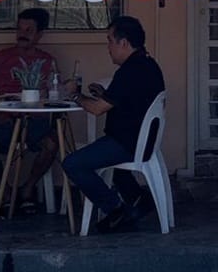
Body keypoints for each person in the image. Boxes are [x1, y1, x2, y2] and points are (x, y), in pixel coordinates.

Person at [63, 15, 165, 234]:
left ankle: (115, 209)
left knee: (72, 163)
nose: (108, 47)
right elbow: (127, 99)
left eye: (110, 41)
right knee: (116, 172)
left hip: (127, 143)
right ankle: (139, 200)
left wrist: (75, 95)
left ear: (124, 43)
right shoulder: (147, 64)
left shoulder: (130, 71)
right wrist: (104, 95)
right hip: (142, 141)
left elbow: (97, 109)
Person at [0, 7, 60, 214]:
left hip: (34, 120)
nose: (22, 34)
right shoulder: (1, 57)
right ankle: (6, 190)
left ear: (40, 34)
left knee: (51, 146)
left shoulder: (47, 61)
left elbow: (53, 95)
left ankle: (28, 189)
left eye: (29, 30)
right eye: (20, 29)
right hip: (3, 120)